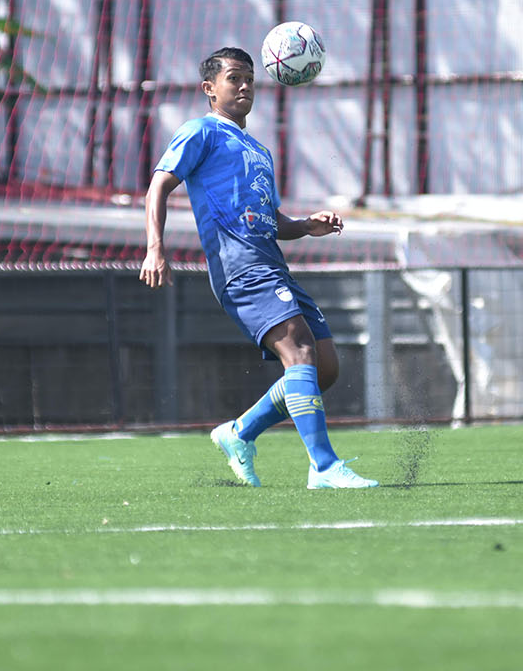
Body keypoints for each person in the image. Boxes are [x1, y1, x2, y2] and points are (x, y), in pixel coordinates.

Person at [139, 46, 377, 489]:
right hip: (240, 267)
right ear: (210, 89)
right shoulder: (201, 132)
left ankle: (240, 432)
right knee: (299, 352)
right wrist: (155, 247)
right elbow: (158, 186)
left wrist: (306, 226)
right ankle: (324, 467)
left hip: (271, 264)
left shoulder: (259, 150)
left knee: (323, 368)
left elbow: (272, 221)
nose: (245, 84)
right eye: (234, 78)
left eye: (250, 77)